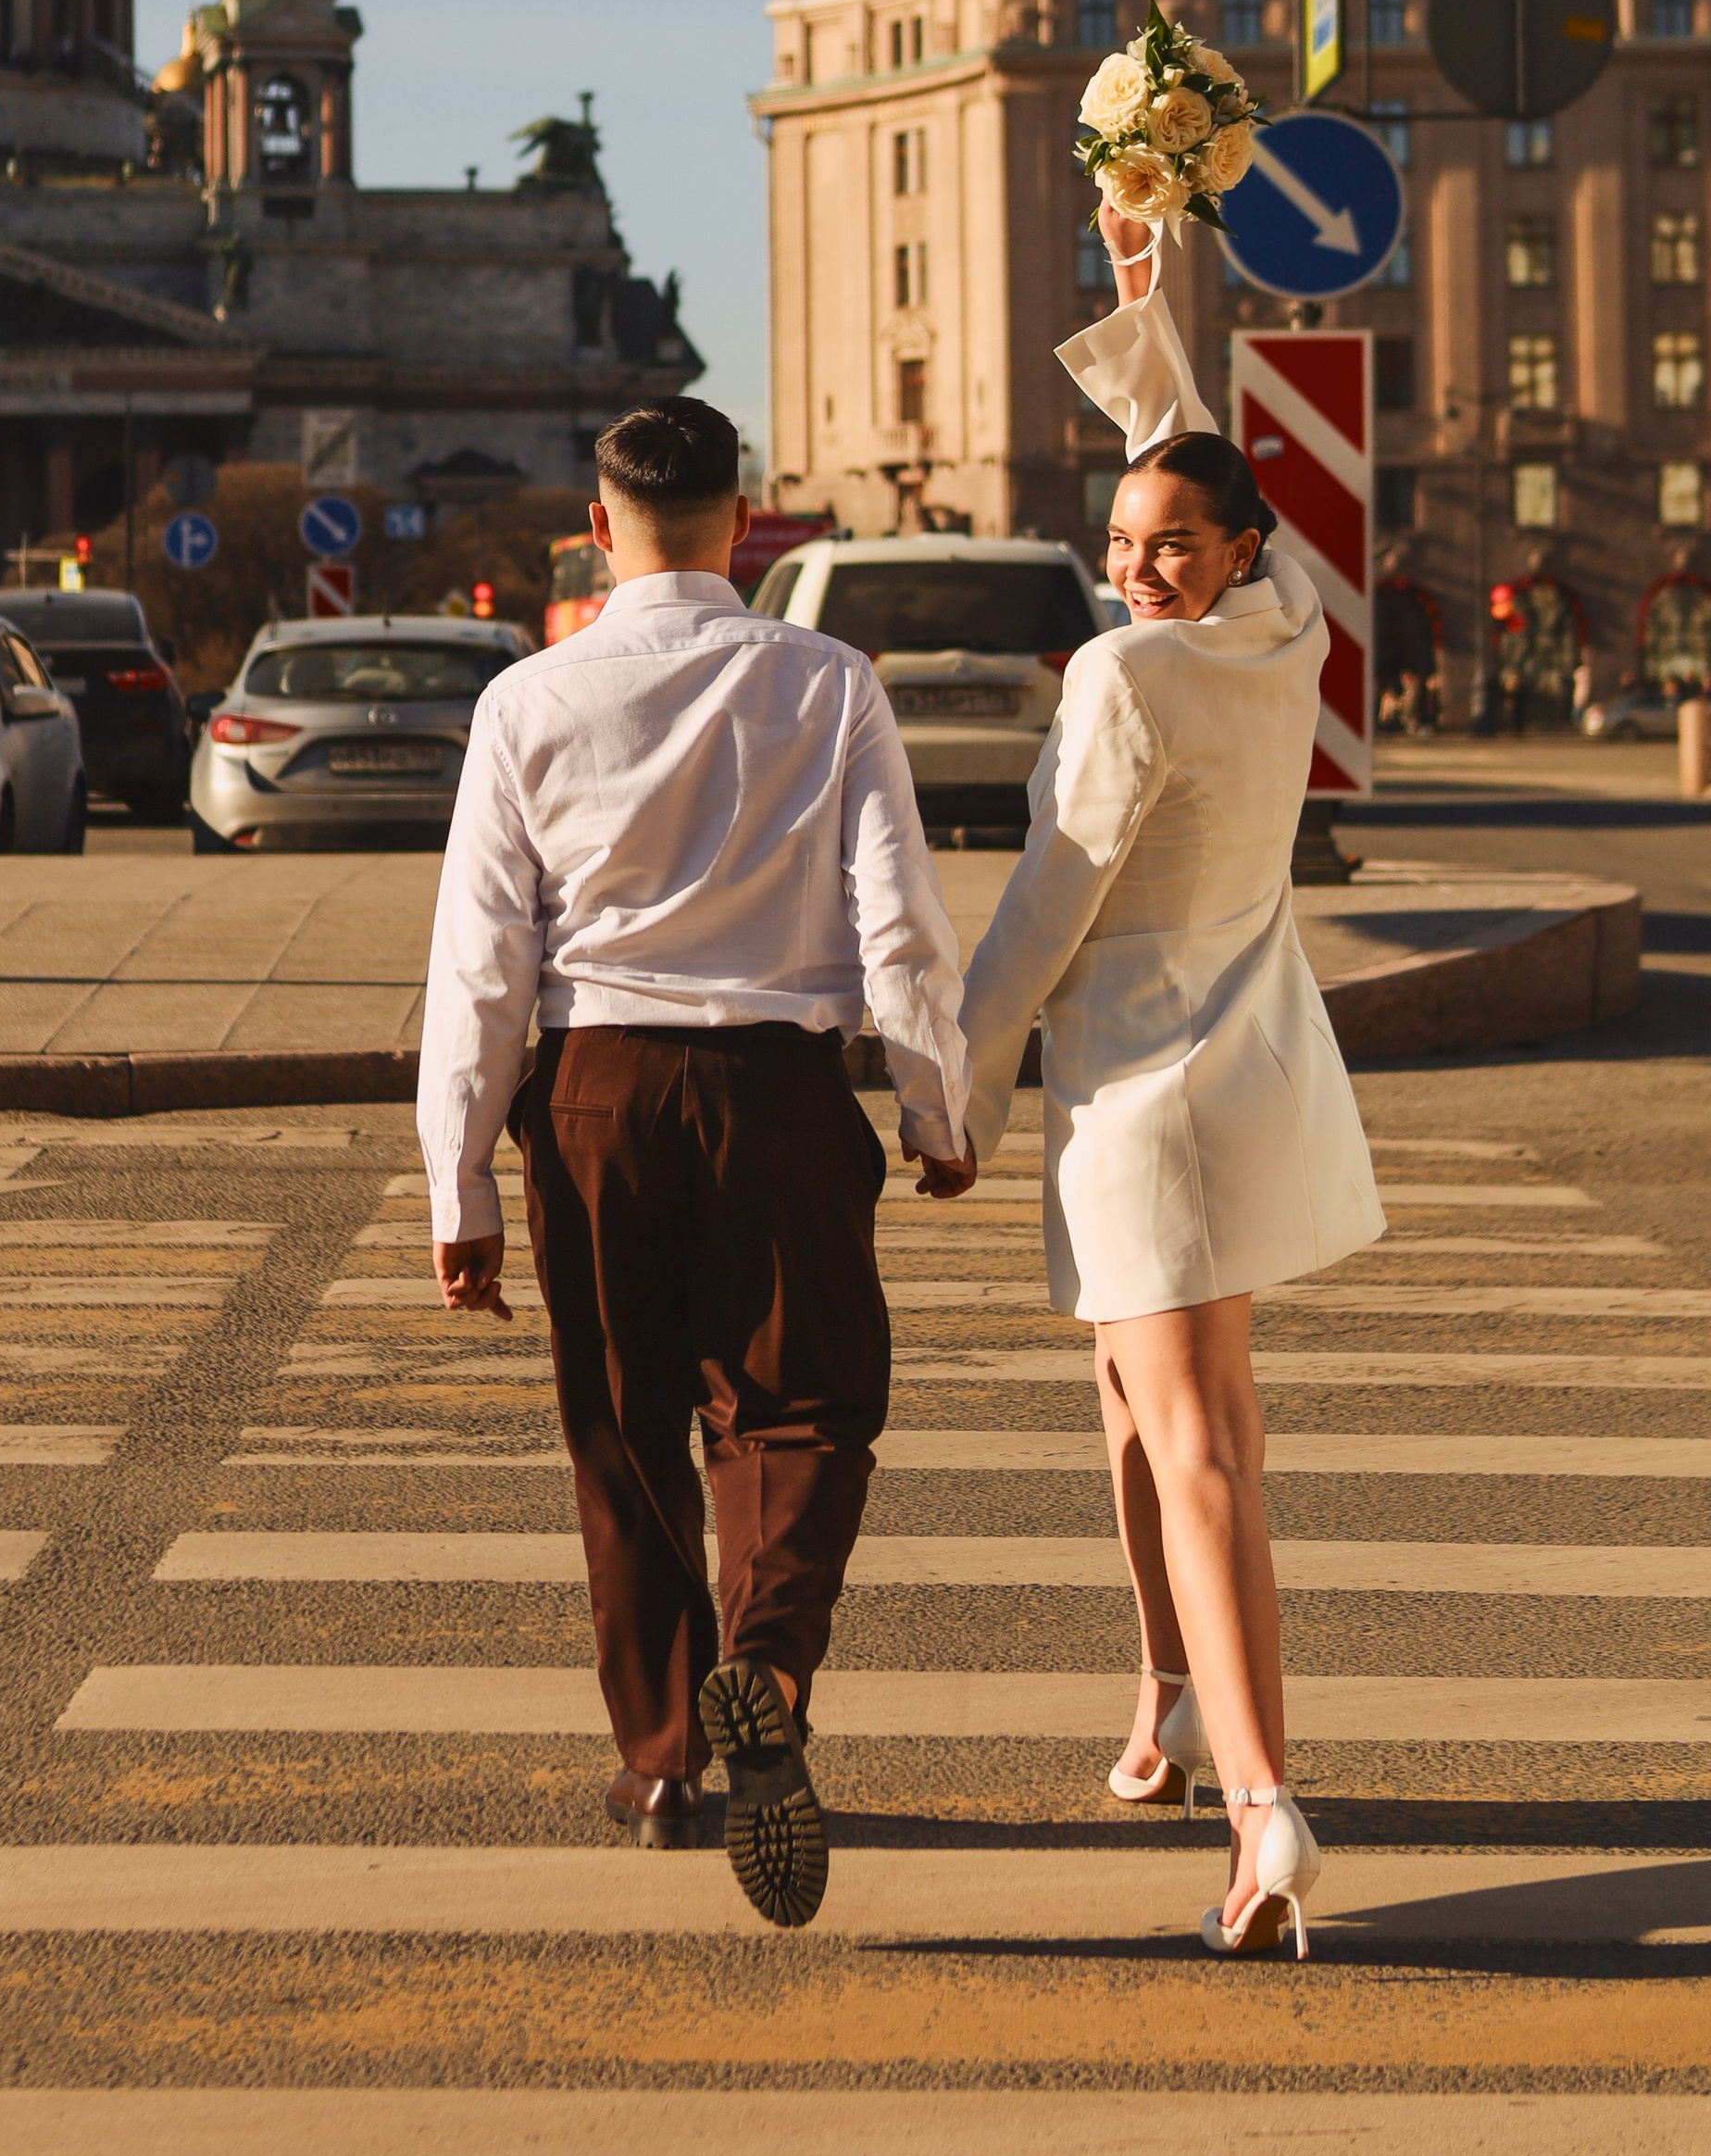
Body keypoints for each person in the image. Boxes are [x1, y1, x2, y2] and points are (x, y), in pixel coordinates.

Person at [416, 396, 969, 1928]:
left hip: (594, 1092)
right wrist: (938, 1110)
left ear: (599, 528)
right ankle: (769, 1669)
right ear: (748, 519)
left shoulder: (526, 700)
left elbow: (479, 965)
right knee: (800, 1412)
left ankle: (661, 1763)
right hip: (779, 1092)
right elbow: (900, 925)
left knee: (623, 1428)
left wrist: (458, 1182)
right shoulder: (830, 683)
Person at [950, 208, 1384, 1960]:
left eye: (1170, 543)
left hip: (1142, 1100)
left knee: (1202, 1441)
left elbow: (1046, 908)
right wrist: (1144, 296)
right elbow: (1193, 466)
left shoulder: (1124, 675)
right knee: (1135, 1413)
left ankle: (1268, 1799)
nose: (1138, 562)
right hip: (1245, 1065)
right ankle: (1170, 1699)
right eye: (1123, 540)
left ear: (1231, 551)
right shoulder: (1287, 633)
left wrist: (955, 1091)